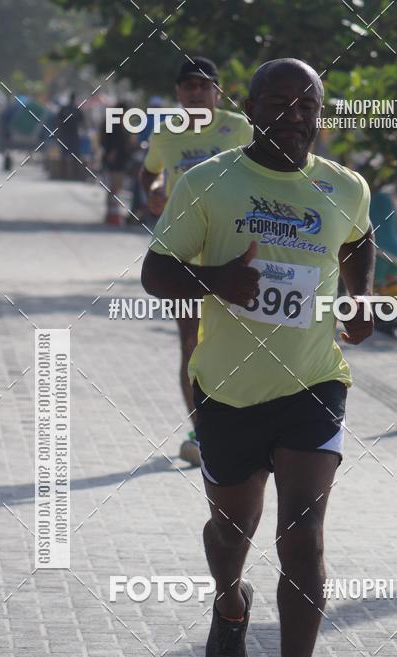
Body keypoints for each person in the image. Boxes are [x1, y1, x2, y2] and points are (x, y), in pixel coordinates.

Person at [141, 58, 375, 657]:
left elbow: (360, 242)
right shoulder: (206, 182)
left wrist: (359, 297)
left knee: (302, 538)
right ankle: (229, 598)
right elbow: (156, 272)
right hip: (227, 389)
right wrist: (217, 279)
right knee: (231, 531)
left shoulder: (343, 187)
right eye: (278, 103)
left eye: (307, 106)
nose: (294, 117)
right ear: (250, 109)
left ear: (319, 115)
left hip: (314, 382)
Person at [139, 57, 253, 467]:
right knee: (191, 342)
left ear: (217, 93)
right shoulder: (165, 135)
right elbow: (149, 173)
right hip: (184, 257)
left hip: (234, 250)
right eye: (188, 86)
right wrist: (153, 191)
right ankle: (202, 431)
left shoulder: (240, 128)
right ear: (178, 94)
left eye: (204, 86)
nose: (196, 92)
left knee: (245, 340)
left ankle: (245, 422)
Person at [101, 100, 133, 225]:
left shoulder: (118, 123)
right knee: (114, 187)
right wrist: (112, 152)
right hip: (115, 159)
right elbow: (111, 141)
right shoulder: (114, 124)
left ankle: (112, 213)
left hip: (119, 159)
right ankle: (112, 214)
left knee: (115, 188)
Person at [56, 92, 84, 179]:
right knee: (75, 156)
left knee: (64, 155)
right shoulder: (77, 109)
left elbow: (58, 121)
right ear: (74, 99)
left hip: (65, 134)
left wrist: (58, 133)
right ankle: (75, 175)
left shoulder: (64, 109)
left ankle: (63, 175)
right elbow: (82, 122)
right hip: (74, 135)